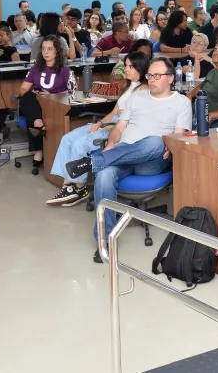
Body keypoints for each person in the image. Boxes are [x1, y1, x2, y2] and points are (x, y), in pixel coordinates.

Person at [64, 57, 192, 262]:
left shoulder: (182, 102)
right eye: (150, 75)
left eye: (157, 76)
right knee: (104, 175)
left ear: (170, 78)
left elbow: (177, 137)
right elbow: (118, 129)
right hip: (123, 153)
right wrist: (112, 143)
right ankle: (104, 242)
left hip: (153, 160)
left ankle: (95, 160)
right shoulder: (136, 98)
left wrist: (170, 146)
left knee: (155, 142)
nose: (152, 79)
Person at [48, 52, 152, 206]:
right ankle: (68, 187)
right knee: (67, 138)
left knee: (79, 144)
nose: (126, 70)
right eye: (126, 66)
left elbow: (129, 121)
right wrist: (100, 123)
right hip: (110, 122)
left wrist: (108, 126)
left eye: (131, 66)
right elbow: (114, 111)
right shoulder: (128, 86)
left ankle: (79, 188)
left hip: (120, 127)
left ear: (141, 68)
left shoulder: (144, 90)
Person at [19, 37, 72, 170]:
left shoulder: (65, 70)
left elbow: (72, 92)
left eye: (49, 49)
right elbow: (22, 89)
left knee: (31, 111)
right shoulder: (35, 69)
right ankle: (38, 123)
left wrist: (52, 95)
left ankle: (38, 147)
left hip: (56, 106)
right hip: (38, 104)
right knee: (26, 97)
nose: (46, 52)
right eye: (43, 49)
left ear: (57, 51)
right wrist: (36, 94)